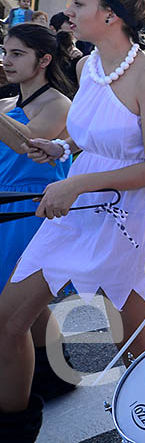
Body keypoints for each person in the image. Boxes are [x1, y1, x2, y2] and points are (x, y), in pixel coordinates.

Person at [0, 0, 145, 441]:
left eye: (79, 3)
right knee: (8, 318)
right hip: (77, 206)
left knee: (133, 338)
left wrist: (75, 184)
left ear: (111, 15)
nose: (68, 10)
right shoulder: (87, 64)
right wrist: (60, 148)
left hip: (132, 215)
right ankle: (15, 428)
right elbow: (94, 137)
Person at [0, 24, 75, 404]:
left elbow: (26, 146)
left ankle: (28, 389)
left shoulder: (60, 104)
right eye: (5, 52)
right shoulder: (6, 104)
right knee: (21, 309)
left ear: (44, 60)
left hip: (32, 214)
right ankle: (56, 371)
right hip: (3, 210)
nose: (6, 60)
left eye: (17, 54)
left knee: (12, 311)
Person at [48, 12, 83, 89]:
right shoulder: (47, 49)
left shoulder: (82, 45)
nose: (72, 26)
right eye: (69, 23)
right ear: (52, 29)